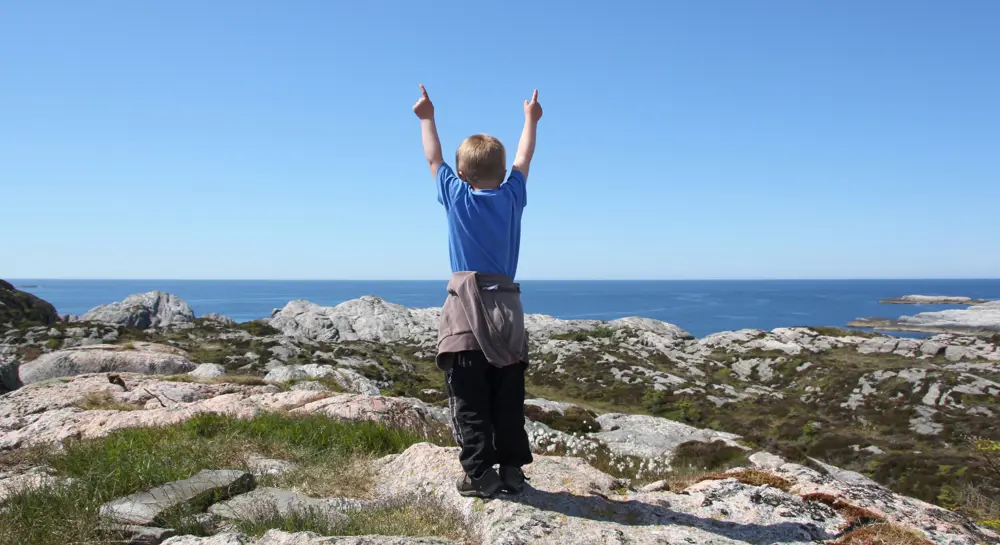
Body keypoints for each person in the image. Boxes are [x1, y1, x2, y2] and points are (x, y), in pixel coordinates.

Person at [412, 84, 542, 497]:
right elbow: (524, 158)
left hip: (466, 314)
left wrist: (427, 117)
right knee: (508, 394)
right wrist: (530, 120)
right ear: (502, 175)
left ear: (462, 173)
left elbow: (434, 157)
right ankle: (512, 471)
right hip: (509, 314)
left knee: (468, 397)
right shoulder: (512, 196)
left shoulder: (456, 196)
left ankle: (478, 475)